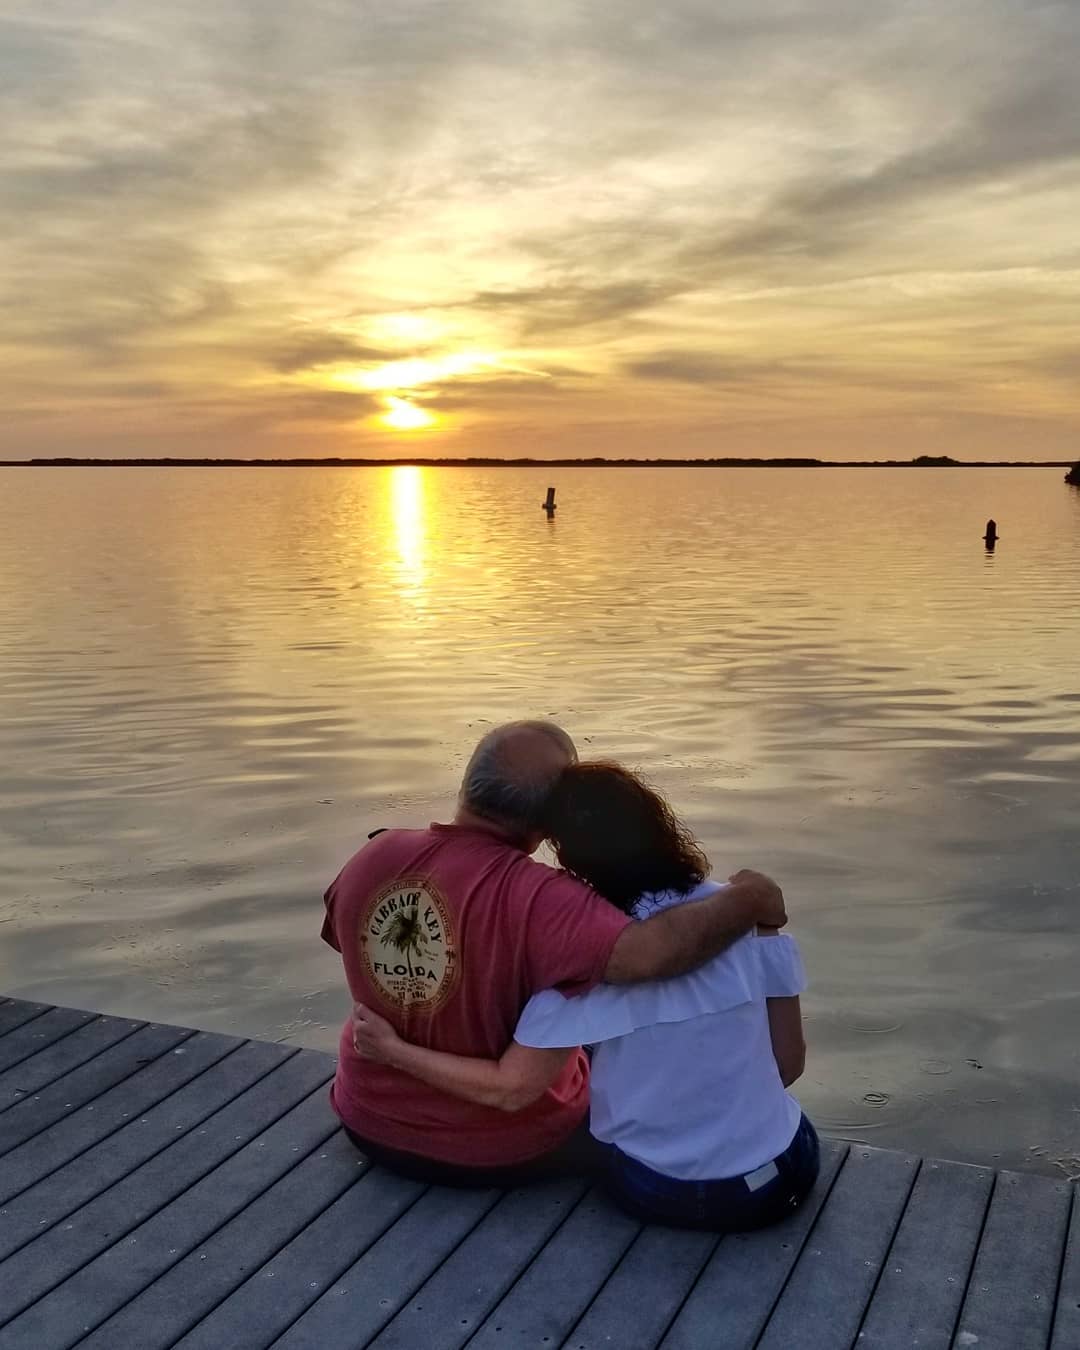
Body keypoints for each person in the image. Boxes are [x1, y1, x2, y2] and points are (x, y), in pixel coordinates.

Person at [352, 760, 818, 1231]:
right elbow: (788, 1065)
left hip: (673, 1191)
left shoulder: (584, 957)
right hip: (786, 1171)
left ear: (568, 857)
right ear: (658, 820)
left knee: (584, 1104)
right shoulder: (739, 915)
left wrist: (391, 1050)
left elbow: (511, 1089)